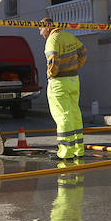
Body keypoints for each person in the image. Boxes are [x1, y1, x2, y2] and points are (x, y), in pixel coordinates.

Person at [39, 17, 86, 160]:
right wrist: (76, 66)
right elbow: (83, 52)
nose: (39, 31)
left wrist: (50, 74)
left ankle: (66, 152)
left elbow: (53, 60)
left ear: (47, 27)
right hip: (73, 80)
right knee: (74, 113)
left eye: (40, 28)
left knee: (63, 115)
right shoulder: (69, 36)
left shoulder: (52, 40)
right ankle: (79, 149)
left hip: (59, 82)